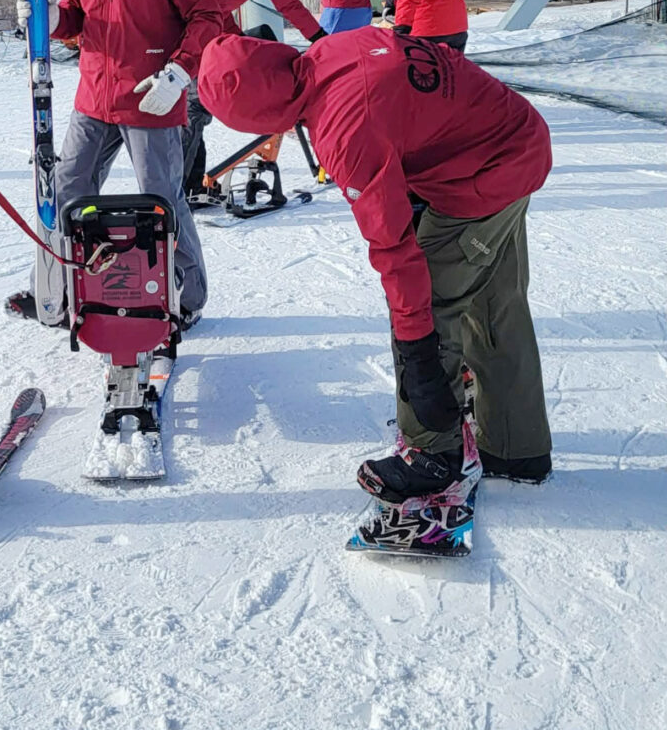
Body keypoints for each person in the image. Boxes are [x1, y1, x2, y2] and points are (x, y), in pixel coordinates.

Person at [197, 27, 554, 501]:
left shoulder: (342, 129)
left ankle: (433, 453)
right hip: (515, 138)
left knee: (430, 301)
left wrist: (417, 357)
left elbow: (396, 252)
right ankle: (516, 448)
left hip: (485, 174)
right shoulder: (336, 50)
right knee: (494, 302)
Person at [7, 0, 221, 331]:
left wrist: (178, 73)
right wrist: (45, 16)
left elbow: (208, 18)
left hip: (150, 98)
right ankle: (57, 290)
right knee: (65, 194)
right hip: (94, 100)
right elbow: (74, 19)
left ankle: (188, 295)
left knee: (162, 199)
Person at [182, 0, 325, 195]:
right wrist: (320, 37)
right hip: (189, 36)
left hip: (179, 30)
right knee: (193, 109)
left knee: (189, 110)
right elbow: (285, 0)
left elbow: (215, 6)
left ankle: (189, 185)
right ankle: (182, 189)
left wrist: (237, 42)